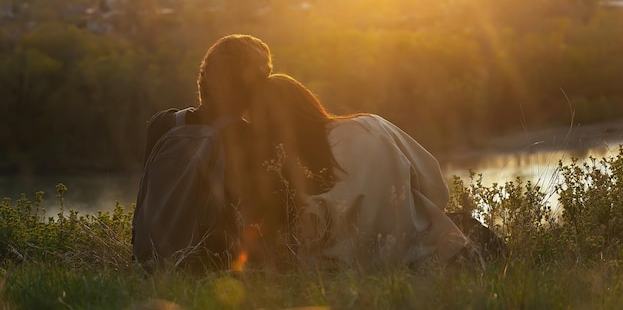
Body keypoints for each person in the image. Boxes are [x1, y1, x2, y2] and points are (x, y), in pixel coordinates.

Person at [248, 73, 468, 270]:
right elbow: (437, 189)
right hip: (418, 253)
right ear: (306, 101)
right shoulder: (370, 126)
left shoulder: (282, 169)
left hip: (337, 268)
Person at [132, 34, 273, 269]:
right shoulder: (251, 138)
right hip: (215, 264)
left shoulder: (162, 125)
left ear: (203, 77)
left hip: (149, 258)